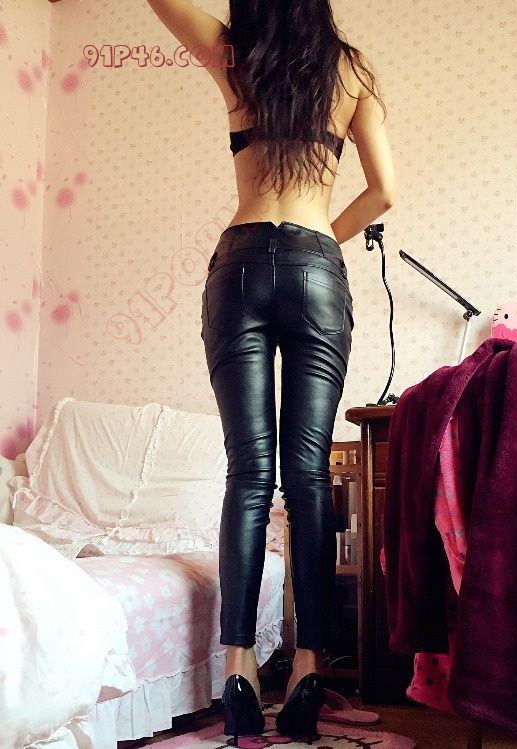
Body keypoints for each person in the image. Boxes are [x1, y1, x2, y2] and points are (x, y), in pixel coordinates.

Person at [146, 0, 396, 744]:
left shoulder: (237, 56)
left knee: (248, 474)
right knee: (308, 476)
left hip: (242, 264)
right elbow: (385, 189)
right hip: (317, 264)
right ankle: (311, 670)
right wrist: (321, 241)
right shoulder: (351, 70)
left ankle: (239, 672)